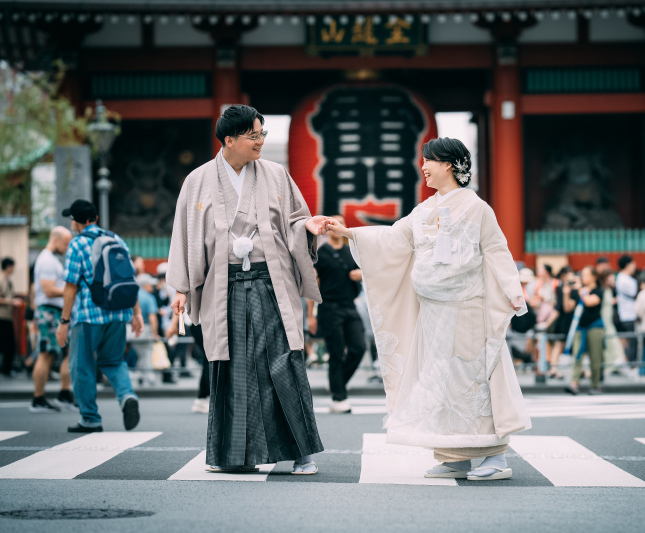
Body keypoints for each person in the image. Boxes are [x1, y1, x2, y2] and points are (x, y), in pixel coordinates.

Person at [325, 137, 531, 481]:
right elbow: (393, 239)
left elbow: (496, 249)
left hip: (468, 307)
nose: (423, 166)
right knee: (442, 381)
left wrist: (513, 290)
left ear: (449, 164)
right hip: (433, 311)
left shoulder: (478, 207)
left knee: (473, 379)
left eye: (429, 160)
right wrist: (349, 232)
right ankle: (455, 456)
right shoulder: (422, 211)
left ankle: (495, 459)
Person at [167, 105, 326, 475]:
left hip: (271, 281)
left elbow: (296, 221)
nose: (260, 141)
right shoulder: (198, 181)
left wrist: (310, 227)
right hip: (224, 288)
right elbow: (185, 235)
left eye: (262, 133)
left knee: (284, 360)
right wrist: (181, 288)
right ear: (229, 140)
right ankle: (233, 455)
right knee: (232, 368)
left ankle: (302, 452)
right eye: (254, 135)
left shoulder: (275, 174)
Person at [55, 199, 144, 433]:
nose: (72, 223)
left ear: (79, 222)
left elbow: (71, 287)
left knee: (81, 365)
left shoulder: (77, 245)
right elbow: (129, 280)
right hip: (118, 312)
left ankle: (90, 418)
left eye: (72, 219)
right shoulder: (117, 240)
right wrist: (137, 314)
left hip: (89, 314)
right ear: (94, 218)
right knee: (113, 361)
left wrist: (64, 322)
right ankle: (126, 396)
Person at [307, 214, 366, 414]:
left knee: (358, 348)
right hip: (329, 308)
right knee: (337, 353)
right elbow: (314, 285)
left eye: (339, 222)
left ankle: (336, 383)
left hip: (349, 306)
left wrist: (360, 275)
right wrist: (310, 315)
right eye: (331, 223)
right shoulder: (321, 254)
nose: (335, 226)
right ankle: (338, 399)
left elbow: (363, 273)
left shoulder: (352, 253)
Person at [30, 227, 78, 413]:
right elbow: (48, 289)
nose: (66, 248)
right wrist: (72, 289)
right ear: (56, 239)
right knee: (46, 354)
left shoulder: (50, 260)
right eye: (65, 243)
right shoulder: (47, 261)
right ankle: (38, 398)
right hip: (49, 312)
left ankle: (64, 394)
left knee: (68, 352)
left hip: (56, 312)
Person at [565, 266, 605, 395]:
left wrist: (580, 289)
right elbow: (568, 307)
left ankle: (595, 385)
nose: (583, 277)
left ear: (594, 277)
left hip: (595, 326)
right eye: (582, 275)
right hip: (579, 327)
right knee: (577, 355)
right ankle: (574, 383)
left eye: (586, 275)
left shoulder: (598, 291)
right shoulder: (578, 291)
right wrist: (566, 293)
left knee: (595, 357)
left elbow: (589, 302)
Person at [0, 257, 22, 377]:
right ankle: (6, 369)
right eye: (13, 267)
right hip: (1, 317)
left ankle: (6, 368)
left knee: (10, 345)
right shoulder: (1, 280)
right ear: (8, 267)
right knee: (8, 344)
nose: (14, 269)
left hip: (7, 317)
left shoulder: (7, 280)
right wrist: (11, 301)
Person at [616, 255, 639, 366]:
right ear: (628, 265)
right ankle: (630, 364)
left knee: (630, 341)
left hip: (626, 314)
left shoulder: (621, 278)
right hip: (629, 314)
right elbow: (634, 294)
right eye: (633, 264)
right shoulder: (626, 280)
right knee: (632, 341)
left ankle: (629, 362)